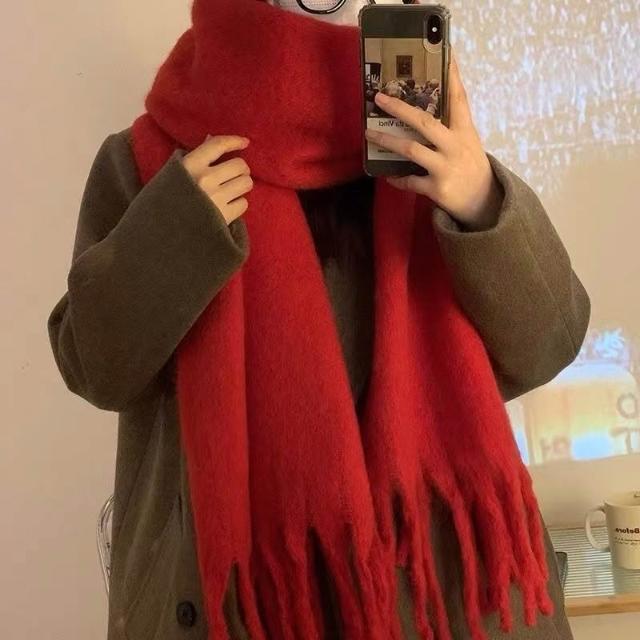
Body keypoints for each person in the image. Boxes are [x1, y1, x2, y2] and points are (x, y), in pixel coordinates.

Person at [47, 1, 589, 639]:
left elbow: (550, 343)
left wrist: (481, 201)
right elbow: (94, 370)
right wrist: (171, 234)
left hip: (439, 597)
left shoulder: (426, 151)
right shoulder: (148, 160)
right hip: (242, 604)